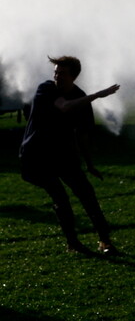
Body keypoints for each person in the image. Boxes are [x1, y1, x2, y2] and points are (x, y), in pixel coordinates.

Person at [20, 56, 120, 254]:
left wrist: (89, 164)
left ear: (73, 76)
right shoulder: (46, 89)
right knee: (61, 199)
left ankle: (105, 242)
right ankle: (73, 243)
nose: (57, 76)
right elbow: (65, 106)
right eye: (56, 72)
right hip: (36, 156)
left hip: (62, 155)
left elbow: (82, 134)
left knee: (88, 196)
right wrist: (98, 95)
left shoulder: (80, 96)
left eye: (62, 73)